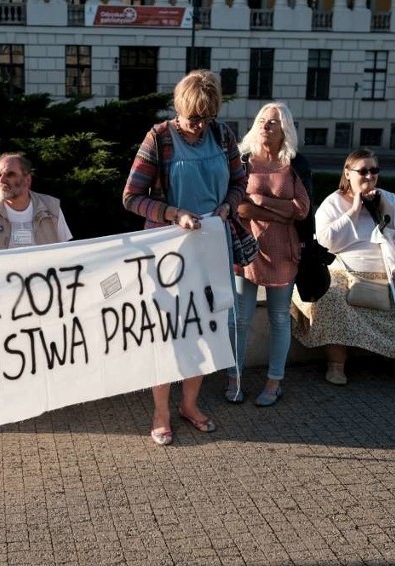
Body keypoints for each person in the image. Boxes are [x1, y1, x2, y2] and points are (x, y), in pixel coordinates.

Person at [122, 69, 246, 445]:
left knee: (207, 329)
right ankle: (160, 412)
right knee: (167, 334)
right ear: (180, 110)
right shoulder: (158, 138)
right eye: (193, 119)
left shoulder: (223, 136)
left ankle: (189, 405)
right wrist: (175, 214)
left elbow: (240, 182)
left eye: (206, 118)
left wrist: (227, 207)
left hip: (213, 246)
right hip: (168, 253)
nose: (198, 127)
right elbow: (131, 197)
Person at [291, 149, 395, 386]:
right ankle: (336, 364)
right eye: (363, 171)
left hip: (391, 270)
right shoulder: (333, 202)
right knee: (330, 299)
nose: (369, 176)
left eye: (374, 170)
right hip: (348, 271)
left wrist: (386, 207)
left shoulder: (388, 197)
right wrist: (354, 210)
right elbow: (327, 240)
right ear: (348, 173)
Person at [226, 102, 310, 407]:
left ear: (284, 129)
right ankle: (234, 378)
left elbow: (300, 210)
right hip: (245, 249)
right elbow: (239, 206)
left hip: (283, 252)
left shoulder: (295, 164)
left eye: (273, 122)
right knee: (239, 319)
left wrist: (259, 202)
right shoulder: (243, 161)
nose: (266, 126)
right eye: (262, 120)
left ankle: (274, 382)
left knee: (278, 318)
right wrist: (277, 208)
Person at [0, 153, 72, 253]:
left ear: (27, 180)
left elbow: (68, 252)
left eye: (10, 175)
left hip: (43, 276)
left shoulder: (51, 207)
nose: (1, 180)